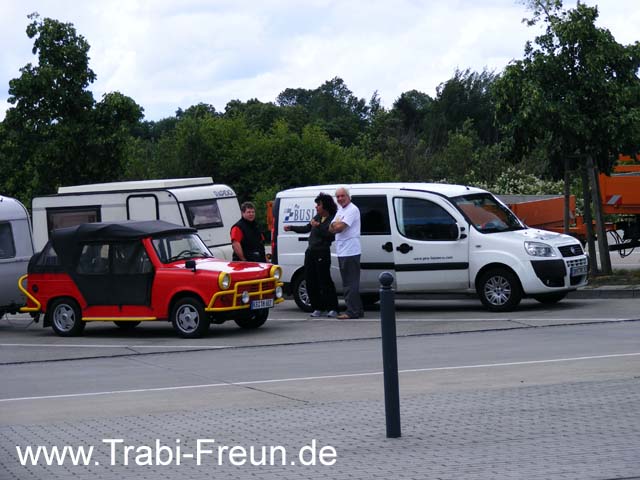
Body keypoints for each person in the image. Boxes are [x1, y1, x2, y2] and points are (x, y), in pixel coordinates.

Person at [284, 193, 339, 318]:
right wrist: (291, 227)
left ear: (325, 205)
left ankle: (332, 308)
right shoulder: (317, 216)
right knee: (310, 279)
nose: (316, 207)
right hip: (311, 251)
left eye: (318, 204)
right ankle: (317, 307)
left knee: (324, 280)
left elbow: (330, 235)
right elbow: (307, 228)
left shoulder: (333, 219)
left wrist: (318, 226)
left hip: (322, 251)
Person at [329, 187, 363, 319]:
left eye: (342, 196)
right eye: (337, 197)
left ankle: (352, 311)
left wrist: (335, 226)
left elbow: (339, 227)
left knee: (350, 283)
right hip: (342, 250)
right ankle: (357, 310)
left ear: (348, 196)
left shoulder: (352, 209)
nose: (340, 199)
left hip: (350, 250)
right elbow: (331, 228)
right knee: (348, 282)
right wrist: (334, 226)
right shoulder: (341, 210)